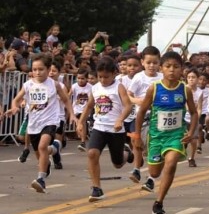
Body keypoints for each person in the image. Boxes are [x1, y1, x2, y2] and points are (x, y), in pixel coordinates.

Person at [133, 51, 198, 214]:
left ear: (182, 69)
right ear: (161, 68)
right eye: (168, 66)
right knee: (154, 172)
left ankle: (159, 202)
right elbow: (141, 113)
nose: (172, 70)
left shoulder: (185, 90)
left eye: (176, 67)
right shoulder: (154, 89)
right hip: (156, 137)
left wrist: (190, 132)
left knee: (171, 163)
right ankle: (156, 170)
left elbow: (194, 112)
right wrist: (137, 136)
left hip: (176, 136)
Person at [6, 54, 75, 193]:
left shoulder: (55, 85)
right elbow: (17, 99)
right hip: (34, 123)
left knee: (43, 146)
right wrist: (14, 107)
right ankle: (54, 149)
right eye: (35, 69)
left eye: (41, 69)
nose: (37, 72)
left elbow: (66, 100)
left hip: (50, 120)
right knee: (39, 152)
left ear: (48, 69)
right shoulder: (28, 84)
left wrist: (72, 115)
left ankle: (40, 179)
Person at [77, 56, 134, 202]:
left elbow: (128, 105)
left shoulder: (118, 87)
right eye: (100, 77)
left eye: (106, 77)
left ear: (114, 73)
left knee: (117, 163)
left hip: (116, 130)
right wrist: (80, 122)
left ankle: (127, 154)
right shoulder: (95, 88)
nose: (103, 80)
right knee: (92, 153)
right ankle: (96, 188)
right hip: (99, 127)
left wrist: (120, 119)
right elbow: (89, 105)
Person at [127, 46, 163, 191]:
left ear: (159, 63)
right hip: (140, 116)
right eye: (148, 62)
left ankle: (151, 178)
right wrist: (138, 101)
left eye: (155, 62)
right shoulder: (139, 77)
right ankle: (136, 168)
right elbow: (128, 95)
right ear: (142, 62)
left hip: (157, 118)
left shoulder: (162, 78)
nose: (152, 66)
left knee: (152, 147)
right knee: (136, 142)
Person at [71, 69, 92, 152]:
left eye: (82, 78)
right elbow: (68, 95)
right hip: (76, 108)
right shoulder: (74, 86)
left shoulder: (90, 87)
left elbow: (91, 99)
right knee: (79, 126)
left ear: (86, 79)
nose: (80, 80)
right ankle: (84, 136)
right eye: (78, 78)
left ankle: (83, 142)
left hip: (85, 109)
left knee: (82, 122)